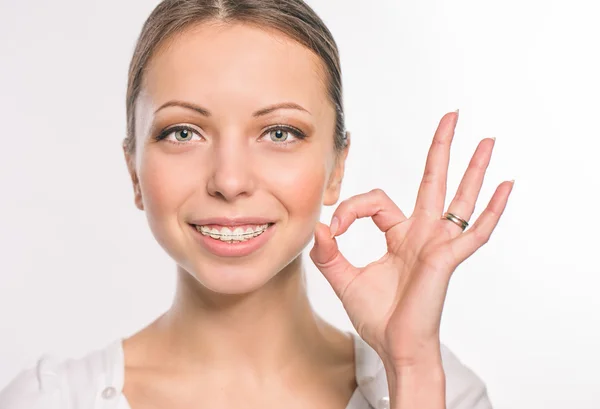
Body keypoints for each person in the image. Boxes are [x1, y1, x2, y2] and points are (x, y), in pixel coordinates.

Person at [0, 1, 513, 408]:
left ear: (336, 167)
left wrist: (412, 371)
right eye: (183, 132)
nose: (229, 180)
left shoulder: (440, 392)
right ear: (134, 169)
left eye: (279, 132)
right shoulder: (49, 401)